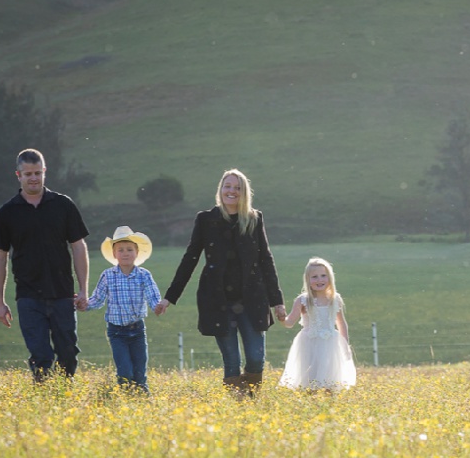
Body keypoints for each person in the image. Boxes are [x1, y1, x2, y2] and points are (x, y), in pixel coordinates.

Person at [157, 169, 286, 396]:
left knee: (256, 358)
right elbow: (191, 258)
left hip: (252, 299)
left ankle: (250, 395)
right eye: (228, 186)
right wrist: (170, 296)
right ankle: (242, 406)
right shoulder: (206, 220)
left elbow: (266, 259)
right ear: (220, 189)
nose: (232, 191)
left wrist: (277, 301)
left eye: (237, 187)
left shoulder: (254, 219)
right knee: (232, 361)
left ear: (244, 192)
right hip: (217, 301)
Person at [0, 148, 89, 382]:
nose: (33, 178)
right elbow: (0, 256)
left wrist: (84, 289)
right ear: (18, 175)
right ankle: (44, 399)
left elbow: (78, 246)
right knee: (40, 355)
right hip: (28, 296)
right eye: (28, 174)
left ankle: (65, 394)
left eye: (37, 172)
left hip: (62, 293)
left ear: (45, 172)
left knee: (68, 353)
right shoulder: (7, 213)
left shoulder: (63, 205)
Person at [80, 226, 164, 393]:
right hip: (117, 332)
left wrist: (158, 306)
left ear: (137, 253)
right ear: (114, 254)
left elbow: (153, 296)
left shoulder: (144, 275)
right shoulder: (108, 275)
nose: (125, 253)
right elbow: (97, 299)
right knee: (125, 371)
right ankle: (124, 397)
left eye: (129, 249)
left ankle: (142, 398)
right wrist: (84, 305)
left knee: (140, 372)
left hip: (138, 330)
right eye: (121, 250)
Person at [279, 257, 356, 392]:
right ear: (307, 280)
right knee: (309, 377)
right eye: (314, 277)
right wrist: (281, 317)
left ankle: (328, 406)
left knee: (329, 378)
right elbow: (290, 322)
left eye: (323, 276)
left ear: (330, 278)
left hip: (330, 344)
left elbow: (341, 323)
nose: (319, 280)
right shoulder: (303, 300)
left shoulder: (334, 299)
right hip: (308, 343)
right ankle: (311, 403)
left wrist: (345, 345)